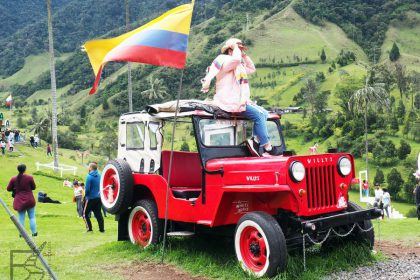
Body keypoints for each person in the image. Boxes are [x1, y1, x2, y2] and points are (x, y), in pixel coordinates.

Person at [201, 38, 279, 156]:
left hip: (237, 100)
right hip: (228, 101)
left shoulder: (238, 66)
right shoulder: (225, 63)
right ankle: (266, 145)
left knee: (264, 112)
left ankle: (256, 140)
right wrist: (236, 49)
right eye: (239, 49)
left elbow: (252, 68)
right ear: (230, 51)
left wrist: (244, 55)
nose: (241, 52)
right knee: (259, 115)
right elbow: (236, 60)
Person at [6, 164, 38, 237]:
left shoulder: (13, 178)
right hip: (30, 200)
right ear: (25, 169)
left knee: (21, 218)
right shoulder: (29, 177)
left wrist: (15, 189)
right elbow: (34, 187)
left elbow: (8, 189)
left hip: (19, 201)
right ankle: (34, 233)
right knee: (32, 217)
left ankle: (21, 234)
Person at [83, 162, 104, 232]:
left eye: (88, 166)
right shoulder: (100, 175)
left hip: (90, 198)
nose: (88, 167)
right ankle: (102, 229)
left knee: (85, 214)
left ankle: (89, 229)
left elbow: (87, 189)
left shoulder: (89, 176)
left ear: (91, 168)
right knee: (98, 214)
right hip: (99, 198)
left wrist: (85, 196)